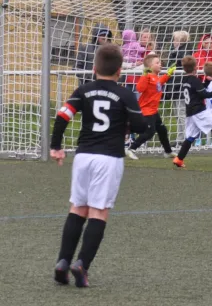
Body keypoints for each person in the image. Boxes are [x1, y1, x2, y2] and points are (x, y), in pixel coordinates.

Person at [50, 44, 148, 288]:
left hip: (83, 156)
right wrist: (127, 123)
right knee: (99, 212)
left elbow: (62, 116)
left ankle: (63, 261)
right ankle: (82, 264)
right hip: (109, 158)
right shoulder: (125, 95)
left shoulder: (83, 90)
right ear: (120, 71)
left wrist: (56, 147)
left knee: (77, 208)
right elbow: (140, 127)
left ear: (94, 69)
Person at [173, 56, 212, 168]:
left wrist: (206, 81)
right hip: (199, 111)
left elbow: (199, 89)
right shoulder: (195, 80)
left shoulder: (185, 80)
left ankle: (179, 158)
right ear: (195, 68)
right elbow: (205, 94)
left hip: (190, 112)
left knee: (191, 137)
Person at [125, 53, 178, 160]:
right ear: (150, 67)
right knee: (150, 132)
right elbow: (140, 88)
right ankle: (131, 149)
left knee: (162, 130)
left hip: (153, 110)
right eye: (157, 63)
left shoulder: (155, 77)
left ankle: (168, 151)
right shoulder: (148, 76)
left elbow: (159, 83)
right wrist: (144, 75)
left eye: (160, 62)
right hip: (146, 110)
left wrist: (168, 74)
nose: (160, 64)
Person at [166, 30, 194, 145]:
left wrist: (173, 56)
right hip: (174, 86)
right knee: (177, 113)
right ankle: (179, 138)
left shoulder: (185, 51)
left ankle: (187, 138)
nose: (173, 42)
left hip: (181, 85)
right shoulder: (175, 51)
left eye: (175, 40)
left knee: (182, 112)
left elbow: (180, 63)